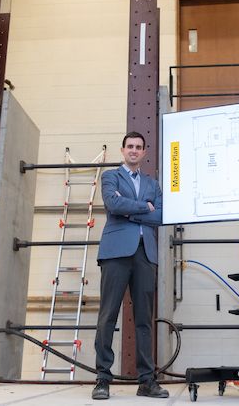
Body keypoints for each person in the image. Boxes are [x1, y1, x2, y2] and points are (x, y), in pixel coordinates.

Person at [92, 131, 168, 400]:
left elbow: (160, 216)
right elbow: (113, 204)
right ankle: (102, 378)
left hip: (145, 254)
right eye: (130, 147)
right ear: (123, 151)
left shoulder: (153, 184)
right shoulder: (111, 176)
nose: (134, 151)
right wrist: (143, 208)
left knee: (144, 321)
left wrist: (131, 210)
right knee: (108, 316)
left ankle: (146, 381)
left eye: (139, 147)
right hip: (115, 253)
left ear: (144, 152)